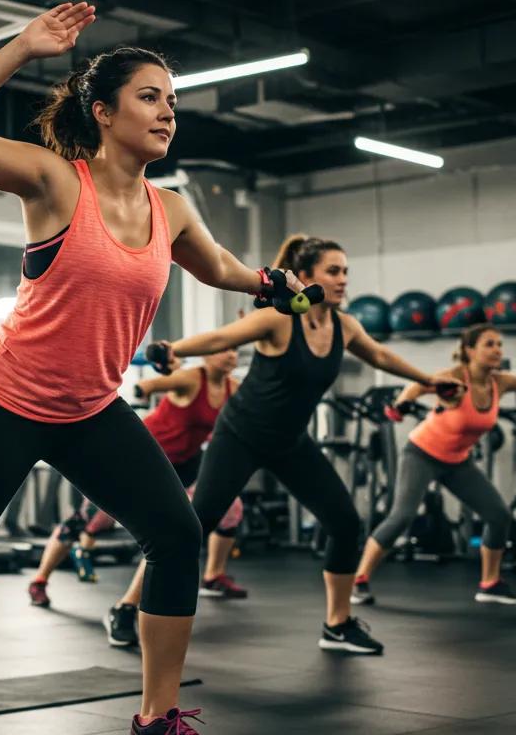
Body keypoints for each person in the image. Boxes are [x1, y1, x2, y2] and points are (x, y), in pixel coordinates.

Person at [0, 1, 311, 735]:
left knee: (179, 534)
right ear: (102, 110)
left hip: (91, 410)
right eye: (150, 97)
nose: (167, 114)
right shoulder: (57, 181)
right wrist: (22, 48)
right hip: (6, 403)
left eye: (173, 102)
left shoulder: (171, 207)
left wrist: (273, 284)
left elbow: (218, 268)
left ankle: (156, 722)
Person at [153, 235, 460, 656]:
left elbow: (382, 357)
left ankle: (337, 624)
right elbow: (222, 338)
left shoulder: (344, 326)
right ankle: (129, 605)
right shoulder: (279, 320)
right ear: (305, 278)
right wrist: (174, 349)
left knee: (346, 523)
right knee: (191, 528)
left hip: (289, 442)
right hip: (240, 435)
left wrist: (428, 382)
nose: (342, 280)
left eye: (345, 272)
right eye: (333, 271)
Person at [27, 349, 247, 649]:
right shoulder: (191, 378)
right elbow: (150, 386)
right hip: (147, 457)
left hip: (185, 464)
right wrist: (143, 389)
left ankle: (213, 575)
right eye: (224, 351)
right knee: (91, 520)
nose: (231, 356)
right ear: (207, 357)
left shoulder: (234, 388)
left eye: (235, 351)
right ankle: (40, 580)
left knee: (231, 509)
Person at [353, 324, 516, 607]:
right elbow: (418, 386)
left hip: (458, 462)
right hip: (422, 454)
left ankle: (490, 583)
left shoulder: (501, 382)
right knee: (402, 516)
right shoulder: (454, 379)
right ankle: (359, 579)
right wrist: (400, 405)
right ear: (469, 350)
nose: (498, 350)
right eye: (489, 344)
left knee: (498, 515)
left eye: (499, 344)